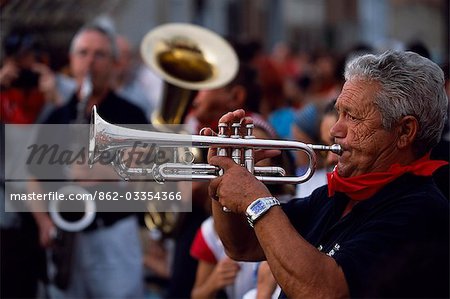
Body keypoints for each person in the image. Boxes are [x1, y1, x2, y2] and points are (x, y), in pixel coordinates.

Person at [204, 51, 449, 298]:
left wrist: (256, 201)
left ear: (405, 131)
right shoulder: (340, 195)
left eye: (352, 117)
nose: (334, 129)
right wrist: (224, 172)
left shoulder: (421, 210)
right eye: (338, 113)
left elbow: (324, 291)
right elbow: (242, 245)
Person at [28, 23, 148, 298]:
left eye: (99, 54)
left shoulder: (132, 115)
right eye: (83, 53)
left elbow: (153, 181)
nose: (90, 61)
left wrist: (112, 173)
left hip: (114, 237)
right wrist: (44, 222)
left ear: (114, 63)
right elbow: (33, 177)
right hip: (66, 239)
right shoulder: (56, 116)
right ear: (71, 60)